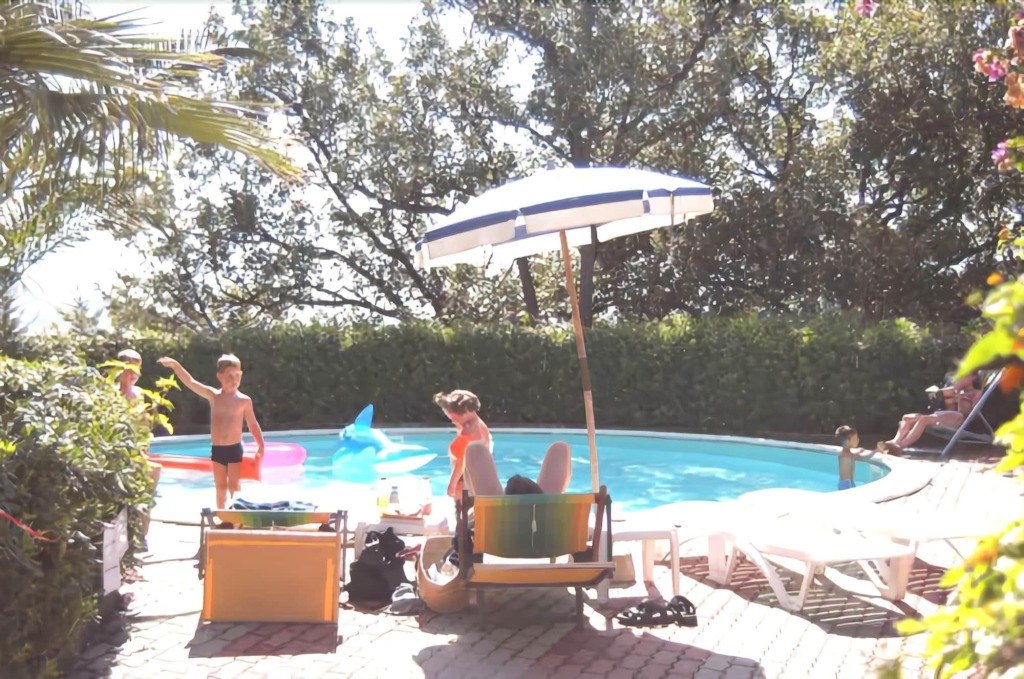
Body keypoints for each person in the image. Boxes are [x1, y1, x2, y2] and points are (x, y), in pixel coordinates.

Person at [157, 354, 265, 509]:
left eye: (238, 375)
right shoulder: (214, 396)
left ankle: (236, 515)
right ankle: (222, 515)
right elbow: (191, 382)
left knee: (234, 486)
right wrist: (176, 366)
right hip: (218, 449)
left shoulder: (244, 401)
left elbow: (253, 423)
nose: (234, 379)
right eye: (230, 376)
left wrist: (261, 444)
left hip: (234, 448)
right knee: (220, 487)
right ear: (219, 376)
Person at [877, 372, 983, 455]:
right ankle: (895, 441)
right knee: (907, 418)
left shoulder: (977, 393)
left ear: (973, 378)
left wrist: (966, 398)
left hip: (962, 420)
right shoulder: (959, 391)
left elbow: (974, 412)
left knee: (924, 420)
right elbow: (949, 398)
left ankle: (901, 446)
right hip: (949, 415)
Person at [433, 390, 492, 503]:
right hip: (476, 477)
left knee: (464, 510)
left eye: (454, 418)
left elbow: (461, 463)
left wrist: (452, 485)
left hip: (467, 481)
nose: (453, 422)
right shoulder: (474, 423)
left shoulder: (471, 433)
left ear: (464, 413)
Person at [835, 425, 877, 490]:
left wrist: (858, 452)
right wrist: (876, 451)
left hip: (843, 483)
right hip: (847, 485)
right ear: (848, 441)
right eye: (856, 438)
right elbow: (864, 458)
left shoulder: (843, 454)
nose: (858, 440)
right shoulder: (848, 456)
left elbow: (851, 457)